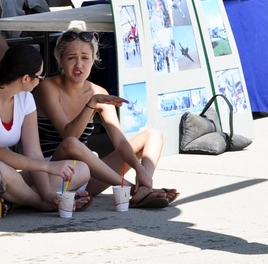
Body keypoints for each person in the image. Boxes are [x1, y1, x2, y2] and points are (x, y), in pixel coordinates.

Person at [34, 30, 176, 208]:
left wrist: (140, 170)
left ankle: (144, 187)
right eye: (71, 58)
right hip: (53, 172)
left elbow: (120, 143)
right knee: (72, 143)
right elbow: (69, 136)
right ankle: (131, 189)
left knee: (153, 135)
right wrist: (92, 103)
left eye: (85, 58)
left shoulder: (99, 92)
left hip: (88, 173)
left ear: (94, 59)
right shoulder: (47, 87)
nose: (79, 65)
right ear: (60, 60)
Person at [0, 42, 90, 213]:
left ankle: (21, 201)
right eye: (40, 76)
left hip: (4, 174)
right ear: (25, 78)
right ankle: (39, 204)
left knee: (80, 169)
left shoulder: (26, 99)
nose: (41, 81)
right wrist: (48, 168)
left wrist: (47, 193)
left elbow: (34, 153)